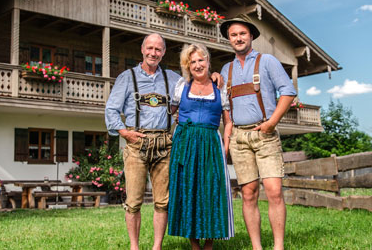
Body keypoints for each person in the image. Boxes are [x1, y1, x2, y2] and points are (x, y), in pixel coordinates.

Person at [105, 33, 222, 250]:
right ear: (142, 49)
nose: (153, 53)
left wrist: (214, 74)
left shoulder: (173, 78)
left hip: (165, 143)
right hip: (136, 143)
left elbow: (197, 81)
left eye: (158, 49)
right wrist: (124, 132)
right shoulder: (127, 77)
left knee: (163, 201)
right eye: (150, 48)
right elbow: (111, 109)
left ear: (164, 52)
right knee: (133, 202)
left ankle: (157, 246)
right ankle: (134, 247)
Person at [219, 17, 296, 250]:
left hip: (265, 133)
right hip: (239, 138)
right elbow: (225, 106)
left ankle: (278, 247)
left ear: (251, 36)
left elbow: (288, 91)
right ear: (229, 39)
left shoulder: (268, 61)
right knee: (249, 193)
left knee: (274, 191)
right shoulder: (226, 69)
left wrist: (272, 122)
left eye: (242, 33)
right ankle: (256, 247)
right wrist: (228, 133)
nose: (238, 38)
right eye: (234, 35)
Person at [168, 44, 234, 250]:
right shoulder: (181, 86)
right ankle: (194, 244)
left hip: (211, 142)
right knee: (189, 190)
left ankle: (209, 244)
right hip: (185, 142)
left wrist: (225, 146)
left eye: (201, 60)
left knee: (211, 191)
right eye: (193, 62)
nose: (197, 65)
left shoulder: (219, 87)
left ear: (208, 61)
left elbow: (228, 121)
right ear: (188, 66)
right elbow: (170, 112)